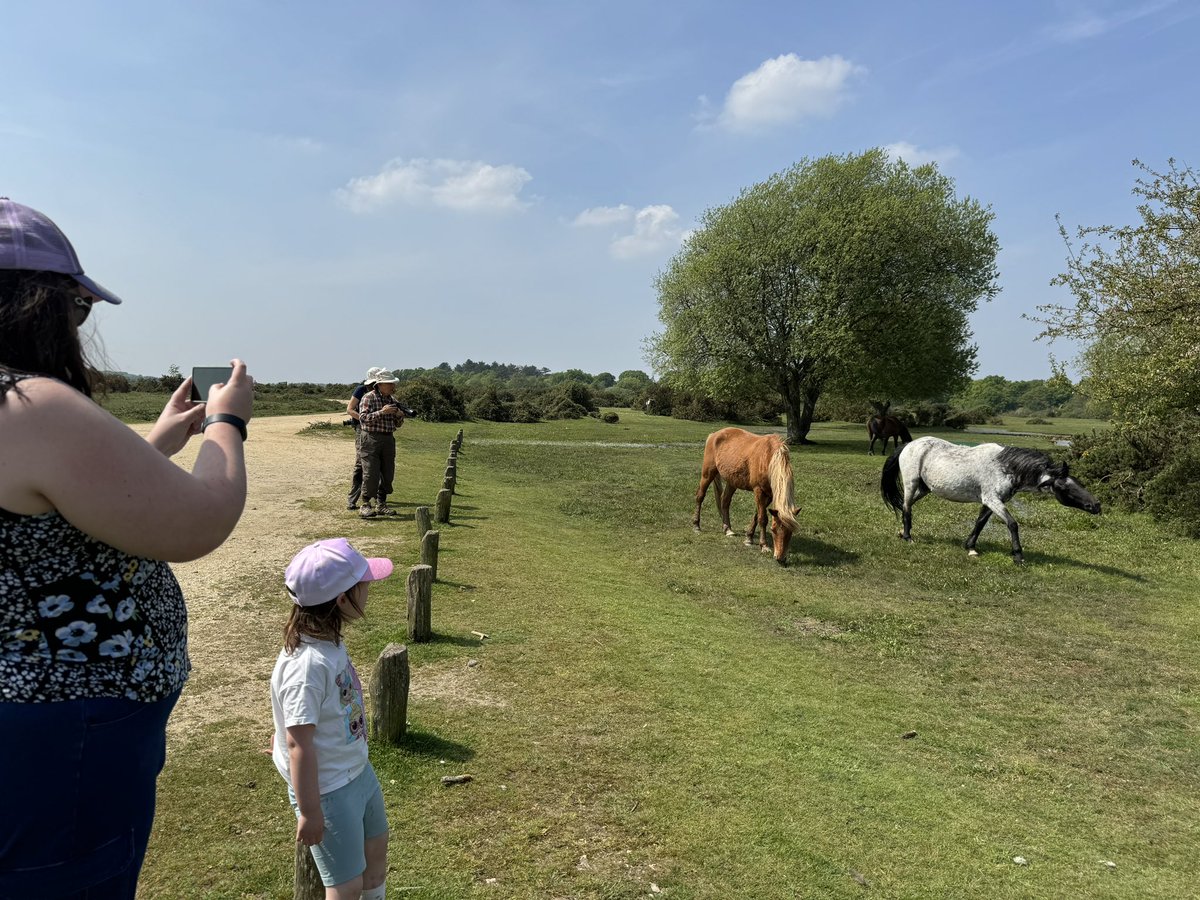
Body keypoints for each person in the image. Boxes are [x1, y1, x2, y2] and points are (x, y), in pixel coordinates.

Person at [0, 197, 253, 898]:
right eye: (76, 308)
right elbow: (199, 520)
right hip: (59, 729)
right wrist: (227, 423)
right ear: (37, 305)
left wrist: (155, 445)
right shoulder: (30, 405)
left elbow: (36, 512)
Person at [271, 538, 393, 900]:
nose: (369, 588)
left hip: (357, 770)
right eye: (364, 584)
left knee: (376, 850)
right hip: (328, 789)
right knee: (345, 885)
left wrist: (277, 736)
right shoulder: (307, 665)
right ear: (342, 600)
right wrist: (309, 811)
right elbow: (298, 740)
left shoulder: (328, 642)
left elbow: (301, 717)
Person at [356, 371, 405, 519]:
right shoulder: (368, 397)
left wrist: (399, 417)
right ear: (380, 385)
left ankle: (381, 504)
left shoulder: (392, 400)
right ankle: (365, 505)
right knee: (371, 473)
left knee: (388, 473)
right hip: (370, 438)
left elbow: (397, 425)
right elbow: (363, 419)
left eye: (393, 383)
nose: (393, 386)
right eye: (390, 383)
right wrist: (382, 412)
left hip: (388, 439)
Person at [345, 367, 386, 510]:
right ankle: (353, 498)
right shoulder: (361, 390)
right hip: (361, 429)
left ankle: (378, 499)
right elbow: (350, 409)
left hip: (377, 431)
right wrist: (364, 420)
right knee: (361, 464)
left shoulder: (383, 393)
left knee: (379, 464)